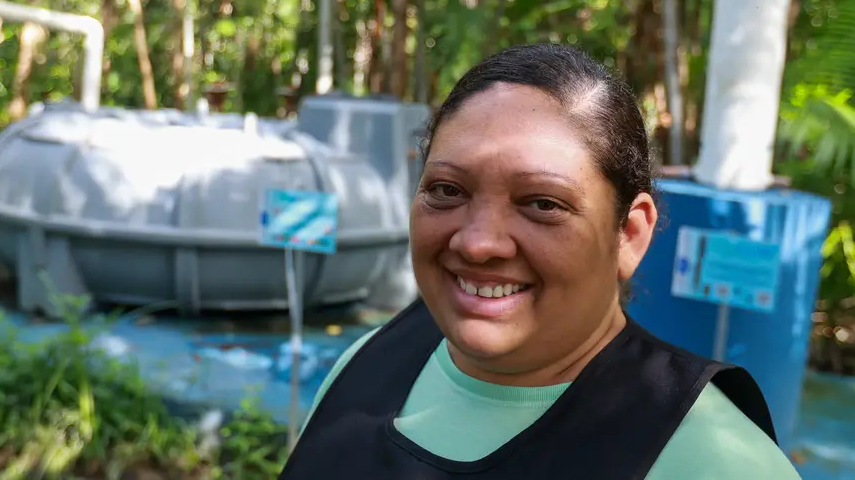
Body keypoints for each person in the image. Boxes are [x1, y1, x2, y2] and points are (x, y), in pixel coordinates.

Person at [279, 44, 802, 479]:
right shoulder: (371, 361)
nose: (479, 243)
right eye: (446, 189)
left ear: (629, 233)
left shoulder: (715, 460)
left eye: (542, 203)